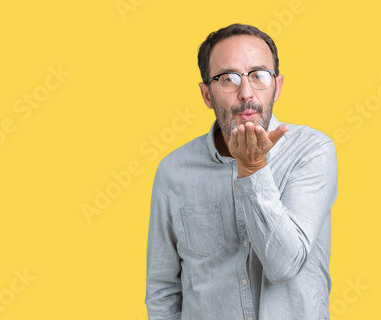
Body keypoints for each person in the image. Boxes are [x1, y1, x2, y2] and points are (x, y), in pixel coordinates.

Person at [145, 23, 338, 320]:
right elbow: (162, 289)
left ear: (277, 86)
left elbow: (285, 265)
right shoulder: (174, 171)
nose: (246, 93)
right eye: (228, 79)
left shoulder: (312, 151)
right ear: (207, 95)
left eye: (259, 76)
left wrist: (253, 169)